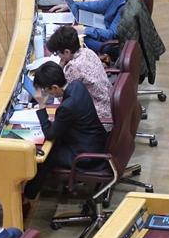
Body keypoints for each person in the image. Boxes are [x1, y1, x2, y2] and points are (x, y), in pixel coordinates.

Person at [22, 62, 108, 200]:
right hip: (96, 141)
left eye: (46, 91)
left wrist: (42, 105)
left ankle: (27, 195)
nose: (46, 94)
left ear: (55, 87)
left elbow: (50, 134)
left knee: (45, 157)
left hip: (87, 155)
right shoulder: (77, 85)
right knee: (53, 147)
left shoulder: (67, 107)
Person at [47, 26, 112, 127]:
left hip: (98, 118)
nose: (58, 57)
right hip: (108, 105)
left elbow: (64, 98)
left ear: (67, 52)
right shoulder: (88, 52)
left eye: (58, 53)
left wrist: (58, 70)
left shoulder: (73, 67)